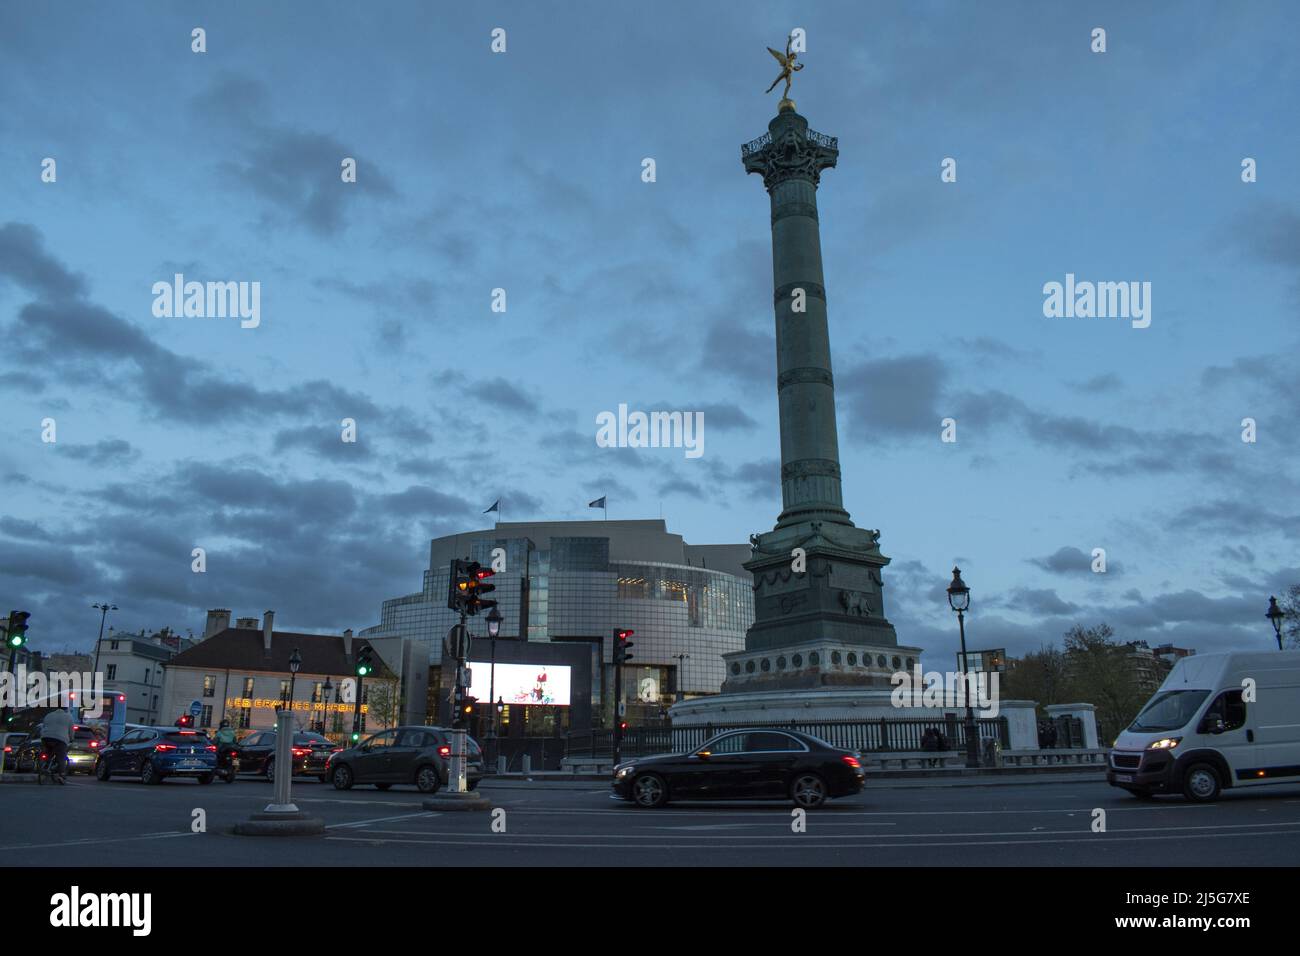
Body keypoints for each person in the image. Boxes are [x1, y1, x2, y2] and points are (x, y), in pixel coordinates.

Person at [39, 707, 72, 779]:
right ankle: (61, 774)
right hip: (60, 739)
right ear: (65, 709)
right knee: (61, 757)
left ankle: (44, 765)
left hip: (45, 737)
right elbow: (71, 731)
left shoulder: (48, 715)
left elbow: (43, 726)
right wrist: (71, 739)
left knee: (46, 753)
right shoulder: (68, 717)